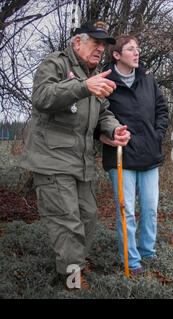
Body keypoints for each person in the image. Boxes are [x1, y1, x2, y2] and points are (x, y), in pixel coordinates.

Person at [20, 20, 131, 289]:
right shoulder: (57, 64)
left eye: (103, 45)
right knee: (67, 224)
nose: (100, 49)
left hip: (80, 164)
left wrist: (114, 130)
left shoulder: (93, 75)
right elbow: (42, 97)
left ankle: (74, 267)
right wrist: (83, 86)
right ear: (76, 42)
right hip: (52, 162)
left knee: (88, 217)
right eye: (95, 42)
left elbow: (103, 113)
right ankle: (72, 282)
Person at [98, 35, 168, 275]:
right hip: (120, 156)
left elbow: (161, 108)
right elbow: (96, 116)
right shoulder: (105, 81)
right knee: (126, 210)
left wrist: (157, 135)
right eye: (130, 49)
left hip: (149, 153)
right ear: (116, 55)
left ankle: (147, 252)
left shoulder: (147, 78)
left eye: (137, 49)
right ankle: (132, 260)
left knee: (149, 208)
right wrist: (105, 135)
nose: (136, 53)